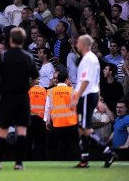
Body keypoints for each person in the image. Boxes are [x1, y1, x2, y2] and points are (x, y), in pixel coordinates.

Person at [0, 27, 38, 171]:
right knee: (21, 130)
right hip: (23, 98)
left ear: (10, 40)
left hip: (7, 97)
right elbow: (35, 79)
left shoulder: (3, 56)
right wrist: (25, 87)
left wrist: (4, 85)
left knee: (2, 130)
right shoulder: (29, 57)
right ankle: (19, 163)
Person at [70, 34, 118, 168]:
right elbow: (95, 81)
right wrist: (97, 101)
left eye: (78, 43)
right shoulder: (91, 59)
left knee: (85, 128)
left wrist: (76, 97)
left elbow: (86, 81)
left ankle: (108, 152)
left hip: (85, 96)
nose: (76, 45)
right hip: (90, 95)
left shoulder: (88, 60)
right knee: (81, 128)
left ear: (83, 44)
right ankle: (84, 159)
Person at [44, 70, 78, 160]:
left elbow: (48, 107)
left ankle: (61, 163)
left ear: (57, 80)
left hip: (57, 123)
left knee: (61, 146)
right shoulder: (72, 90)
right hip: (71, 122)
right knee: (72, 146)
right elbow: (77, 106)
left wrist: (47, 121)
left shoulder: (50, 91)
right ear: (67, 79)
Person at [26, 78, 46, 160]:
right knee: (39, 141)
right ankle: (39, 158)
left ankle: (27, 158)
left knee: (28, 140)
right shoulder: (44, 91)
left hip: (30, 118)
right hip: (40, 118)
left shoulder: (29, 91)